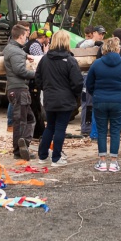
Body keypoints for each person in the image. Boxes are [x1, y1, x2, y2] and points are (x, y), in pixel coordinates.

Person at [35, 30, 83, 167]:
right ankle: (56, 157)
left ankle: (43, 155)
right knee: (60, 128)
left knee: (50, 127)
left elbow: (38, 78)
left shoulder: (45, 59)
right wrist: (75, 94)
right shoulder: (70, 60)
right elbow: (77, 82)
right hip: (65, 99)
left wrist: (48, 89)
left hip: (50, 98)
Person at [86, 38, 121, 172]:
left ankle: (102, 162)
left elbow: (89, 83)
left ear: (104, 49)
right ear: (118, 49)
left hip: (100, 99)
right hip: (118, 100)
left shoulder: (97, 64)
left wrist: (95, 93)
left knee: (101, 131)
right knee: (115, 131)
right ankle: (113, 162)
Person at [4, 23, 36, 160]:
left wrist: (25, 55)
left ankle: (23, 143)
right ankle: (19, 149)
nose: (26, 38)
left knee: (28, 119)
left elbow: (16, 58)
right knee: (22, 121)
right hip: (19, 90)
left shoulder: (12, 48)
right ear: (21, 36)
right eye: (25, 36)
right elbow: (19, 70)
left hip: (15, 89)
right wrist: (35, 74)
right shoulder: (16, 51)